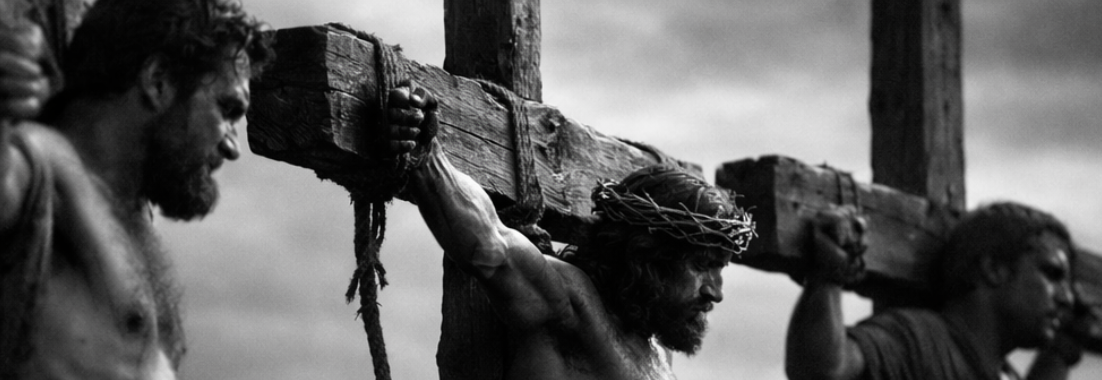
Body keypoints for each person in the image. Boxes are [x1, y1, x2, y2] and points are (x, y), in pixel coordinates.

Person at [0, 0, 271, 378]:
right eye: (227, 109)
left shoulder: (132, 219)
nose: (232, 146)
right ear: (158, 81)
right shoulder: (45, 167)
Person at [383, 86, 756, 379]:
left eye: (720, 268)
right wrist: (424, 152)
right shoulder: (572, 304)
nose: (716, 291)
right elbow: (489, 247)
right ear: (648, 255)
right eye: (703, 264)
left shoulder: (658, 350)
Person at [785, 202, 1083, 380]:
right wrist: (828, 276)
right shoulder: (921, 340)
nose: (1066, 297)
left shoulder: (1002, 373)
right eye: (1052, 274)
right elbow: (823, 369)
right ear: (994, 268)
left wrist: (1059, 353)